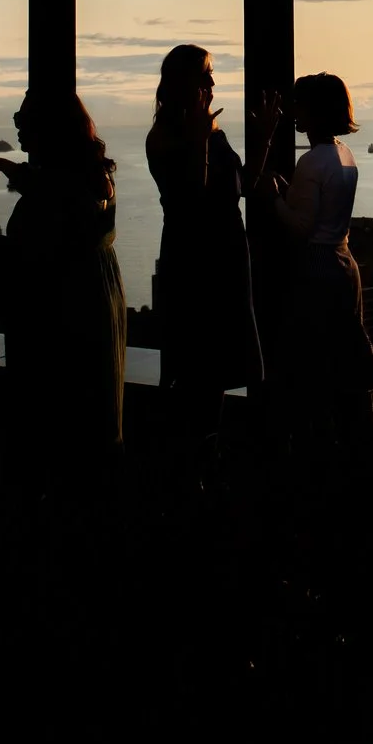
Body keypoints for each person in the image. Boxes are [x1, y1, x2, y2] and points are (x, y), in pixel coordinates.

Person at [0, 90, 126, 502]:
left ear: (49, 129)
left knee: (53, 442)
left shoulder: (57, 193)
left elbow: (39, 254)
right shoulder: (93, 179)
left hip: (56, 330)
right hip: (91, 319)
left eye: (25, 116)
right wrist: (10, 167)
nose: (17, 122)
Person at [144, 46, 262, 464]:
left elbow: (243, 186)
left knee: (217, 374)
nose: (212, 84)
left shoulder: (211, 132)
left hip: (228, 259)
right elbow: (192, 196)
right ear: (183, 83)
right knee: (197, 371)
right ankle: (188, 471)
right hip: (195, 265)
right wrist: (199, 140)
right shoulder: (165, 138)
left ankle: (205, 463)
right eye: (205, 76)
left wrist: (263, 136)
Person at [252, 73, 373, 443]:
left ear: (314, 111)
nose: (293, 111)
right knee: (345, 359)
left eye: (299, 104)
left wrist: (272, 195)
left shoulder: (312, 161)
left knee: (313, 365)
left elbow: (300, 228)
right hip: (344, 263)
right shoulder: (344, 154)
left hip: (315, 270)